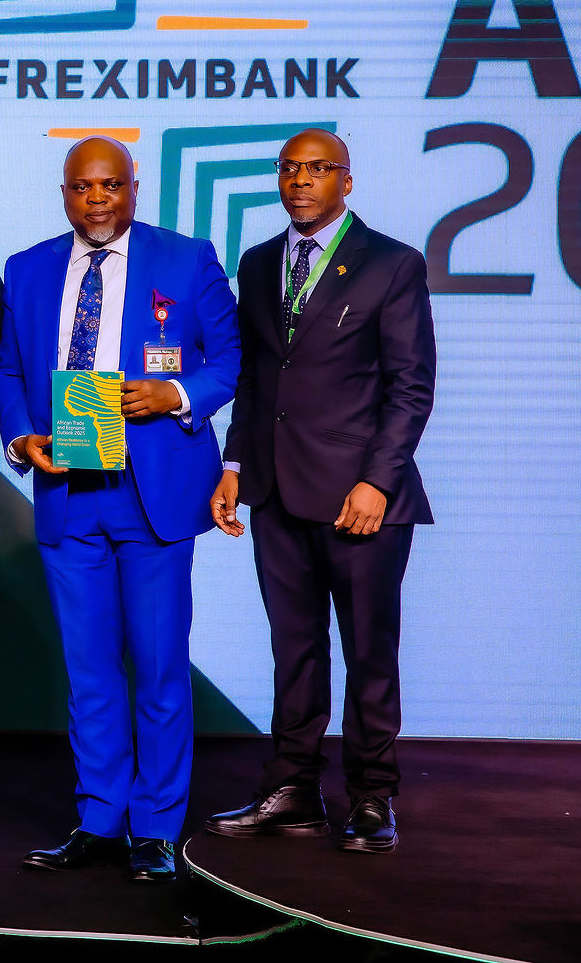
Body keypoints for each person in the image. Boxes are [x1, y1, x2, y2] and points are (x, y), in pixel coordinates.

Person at [0, 136, 238, 884]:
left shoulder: (186, 258)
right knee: (89, 669)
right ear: (64, 193)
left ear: (135, 186)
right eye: (82, 187)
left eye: (110, 185)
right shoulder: (28, 268)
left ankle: (156, 826)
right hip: (68, 493)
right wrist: (21, 438)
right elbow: (9, 372)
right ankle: (100, 817)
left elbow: (231, 360)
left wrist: (176, 394)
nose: (96, 199)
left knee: (160, 666)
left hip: (152, 492)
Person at [204, 130, 434, 854]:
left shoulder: (392, 263)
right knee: (294, 649)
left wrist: (377, 481)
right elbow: (254, 378)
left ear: (346, 180)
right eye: (289, 169)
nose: (300, 180)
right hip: (274, 491)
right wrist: (234, 465)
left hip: (359, 500)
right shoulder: (258, 262)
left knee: (370, 652)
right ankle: (293, 790)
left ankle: (371, 795)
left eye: (317, 169)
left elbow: (410, 386)